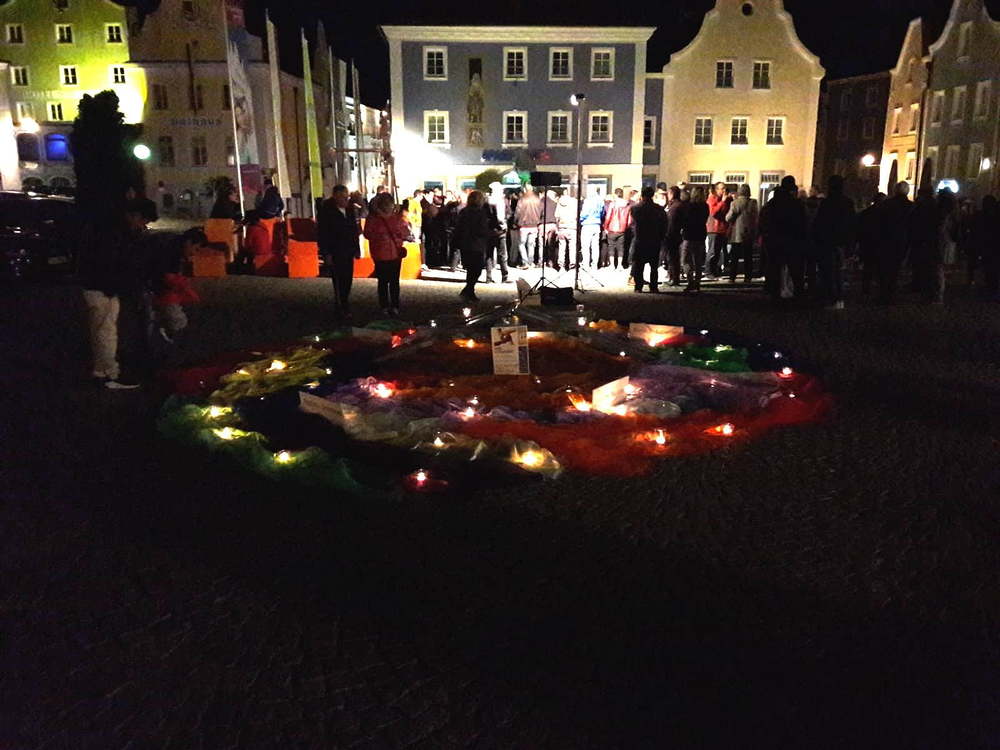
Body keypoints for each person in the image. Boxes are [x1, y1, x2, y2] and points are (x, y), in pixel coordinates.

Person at [78, 198, 158, 389]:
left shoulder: (109, 227)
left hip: (100, 286)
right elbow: (114, 264)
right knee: (106, 332)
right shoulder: (114, 234)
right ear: (134, 215)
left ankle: (101, 371)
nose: (143, 225)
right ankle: (109, 374)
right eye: (143, 220)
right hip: (102, 287)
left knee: (102, 331)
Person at [149, 228, 204, 343]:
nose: (193, 253)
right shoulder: (170, 253)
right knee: (177, 320)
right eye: (195, 249)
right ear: (189, 242)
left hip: (155, 290)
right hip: (156, 290)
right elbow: (165, 278)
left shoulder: (172, 247)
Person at [759, 175, 808, 300]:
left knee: (775, 267)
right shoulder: (796, 204)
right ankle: (798, 294)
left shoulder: (772, 203)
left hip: (775, 240)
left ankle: (774, 294)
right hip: (792, 240)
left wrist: (765, 234)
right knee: (795, 270)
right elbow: (803, 223)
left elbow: (764, 219)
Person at [318, 184, 362, 319]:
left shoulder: (349, 210)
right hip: (335, 250)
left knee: (347, 279)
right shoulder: (327, 212)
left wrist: (356, 248)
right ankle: (341, 306)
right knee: (338, 280)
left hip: (348, 250)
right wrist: (326, 253)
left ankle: (344, 301)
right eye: (343, 197)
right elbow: (323, 233)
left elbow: (354, 230)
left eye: (346, 197)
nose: (345, 199)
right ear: (335, 196)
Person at [812, 175, 856, 309]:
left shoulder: (826, 203)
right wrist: (851, 244)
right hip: (841, 242)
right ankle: (839, 298)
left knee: (828, 271)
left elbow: (819, 224)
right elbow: (852, 225)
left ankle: (831, 298)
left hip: (827, 242)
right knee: (840, 272)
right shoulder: (847, 203)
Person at [363, 193, 408, 317]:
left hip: (393, 253)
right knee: (384, 281)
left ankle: (393, 305)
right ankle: (386, 305)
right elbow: (368, 234)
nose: (389, 206)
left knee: (393, 281)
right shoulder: (375, 218)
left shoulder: (395, 218)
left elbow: (404, 232)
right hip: (382, 253)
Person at [874, 181, 913, 304]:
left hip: (886, 240)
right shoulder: (911, 206)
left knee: (885, 268)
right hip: (903, 241)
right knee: (896, 268)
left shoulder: (887, 205)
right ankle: (892, 292)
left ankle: (884, 293)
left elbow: (879, 223)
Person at [453, 190, 494, 302]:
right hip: (476, 244)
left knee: (471, 268)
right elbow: (482, 229)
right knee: (477, 268)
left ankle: (469, 291)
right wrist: (490, 233)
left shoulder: (464, 212)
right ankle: (468, 290)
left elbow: (459, 227)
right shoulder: (481, 213)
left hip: (465, 243)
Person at [629, 186, 669, 293]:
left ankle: (638, 286)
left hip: (640, 238)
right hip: (654, 239)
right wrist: (661, 236)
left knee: (639, 265)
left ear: (642, 195)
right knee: (654, 266)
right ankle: (653, 286)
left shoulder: (635, 208)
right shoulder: (659, 209)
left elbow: (632, 223)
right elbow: (665, 224)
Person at [725, 184, 759, 284]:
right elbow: (756, 216)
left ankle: (732, 277)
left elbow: (728, 218)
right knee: (748, 256)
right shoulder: (753, 202)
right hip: (749, 232)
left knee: (735, 256)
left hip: (737, 233)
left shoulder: (735, 203)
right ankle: (748, 277)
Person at [680, 187, 710, 293]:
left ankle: (690, 281)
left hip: (689, 235)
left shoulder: (689, 206)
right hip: (700, 234)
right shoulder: (705, 206)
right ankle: (697, 282)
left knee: (685, 260)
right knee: (698, 261)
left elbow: (685, 220)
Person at [856, 193, 886, 296]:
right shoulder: (886, 214)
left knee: (868, 268)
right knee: (880, 269)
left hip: (868, 244)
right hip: (881, 244)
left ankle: (866, 289)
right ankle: (880, 290)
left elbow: (860, 229)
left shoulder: (866, 213)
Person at [704, 182, 732, 279]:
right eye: (722, 188)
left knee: (718, 251)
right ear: (716, 190)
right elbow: (713, 212)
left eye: (725, 188)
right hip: (714, 229)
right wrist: (722, 202)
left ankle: (714, 270)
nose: (724, 190)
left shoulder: (727, 199)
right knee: (712, 251)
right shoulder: (712, 198)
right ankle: (708, 271)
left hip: (722, 228)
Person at [243, 210, 281, 276]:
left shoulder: (251, 228)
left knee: (245, 254)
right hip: (267, 252)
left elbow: (248, 244)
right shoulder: (263, 226)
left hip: (257, 253)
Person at [486, 182, 510, 283]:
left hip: (489, 231)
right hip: (500, 231)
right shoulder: (500, 202)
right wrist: (503, 224)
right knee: (502, 255)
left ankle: (488, 277)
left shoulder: (487, 201)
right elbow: (501, 217)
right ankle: (504, 276)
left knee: (489, 255)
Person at [602, 188, 632, 270]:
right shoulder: (627, 204)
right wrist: (625, 227)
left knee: (611, 246)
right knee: (621, 247)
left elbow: (608, 217)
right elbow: (629, 220)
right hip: (622, 229)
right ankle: (619, 265)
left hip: (612, 228)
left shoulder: (613, 204)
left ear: (615, 194)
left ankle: (612, 265)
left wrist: (605, 227)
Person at [514, 187, 542, 268]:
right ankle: (530, 262)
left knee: (521, 244)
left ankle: (525, 262)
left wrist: (515, 222)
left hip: (523, 225)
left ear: (525, 190)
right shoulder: (538, 200)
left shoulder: (522, 200)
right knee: (531, 244)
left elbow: (517, 212)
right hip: (534, 225)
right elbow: (541, 211)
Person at [663, 186, 685, 286]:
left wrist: (667, 234)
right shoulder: (678, 205)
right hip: (675, 234)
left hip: (672, 235)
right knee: (673, 257)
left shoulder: (675, 207)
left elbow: (671, 222)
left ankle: (674, 278)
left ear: (672, 194)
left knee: (672, 257)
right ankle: (673, 277)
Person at [579, 187, 605, 268]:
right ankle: (595, 265)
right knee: (595, 246)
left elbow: (584, 214)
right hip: (597, 225)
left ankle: (586, 264)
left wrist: (580, 219)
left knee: (585, 246)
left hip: (587, 225)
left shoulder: (588, 201)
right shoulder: (600, 201)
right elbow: (602, 213)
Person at [555, 191, 578, 270]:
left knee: (562, 247)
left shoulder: (559, 202)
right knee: (572, 247)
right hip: (572, 227)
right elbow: (577, 215)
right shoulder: (574, 202)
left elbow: (556, 216)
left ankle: (561, 266)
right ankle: (572, 265)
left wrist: (558, 227)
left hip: (562, 227)